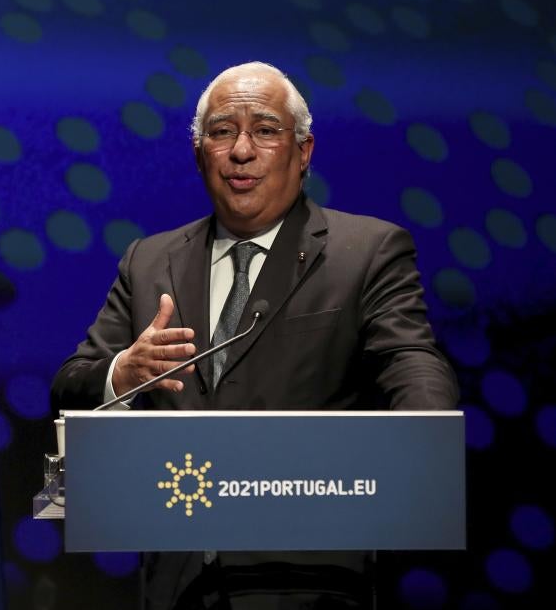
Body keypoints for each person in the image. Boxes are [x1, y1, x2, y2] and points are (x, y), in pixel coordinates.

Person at [50, 62, 458, 609]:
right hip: (179, 585)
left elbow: (410, 358)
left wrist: (423, 438)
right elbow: (72, 384)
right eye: (222, 131)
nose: (242, 151)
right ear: (199, 152)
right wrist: (121, 373)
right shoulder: (148, 262)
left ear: (305, 151)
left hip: (311, 583)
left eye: (266, 130)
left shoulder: (366, 251)